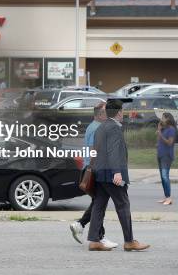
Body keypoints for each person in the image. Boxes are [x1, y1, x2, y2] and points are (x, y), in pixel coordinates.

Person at [87, 98, 150, 252]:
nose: (123, 114)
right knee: (123, 205)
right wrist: (117, 172)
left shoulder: (101, 127)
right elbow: (113, 151)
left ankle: (94, 240)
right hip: (111, 174)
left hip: (100, 173)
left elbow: (96, 150)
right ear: (119, 113)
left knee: (99, 205)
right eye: (123, 111)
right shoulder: (114, 128)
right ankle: (129, 241)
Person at [70, 102, 117, 248]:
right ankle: (98, 236)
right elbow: (93, 151)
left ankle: (82, 225)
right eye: (106, 112)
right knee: (99, 204)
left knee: (98, 202)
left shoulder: (94, 126)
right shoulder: (97, 128)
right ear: (100, 114)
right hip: (94, 169)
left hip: (92, 168)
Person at [157, 112, 177, 205]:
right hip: (160, 155)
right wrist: (160, 130)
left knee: (165, 176)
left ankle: (169, 198)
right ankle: (166, 197)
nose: (162, 119)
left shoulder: (171, 129)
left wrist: (160, 133)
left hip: (167, 156)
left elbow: (170, 143)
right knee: (162, 177)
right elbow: (160, 140)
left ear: (168, 119)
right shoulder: (164, 129)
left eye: (163, 118)